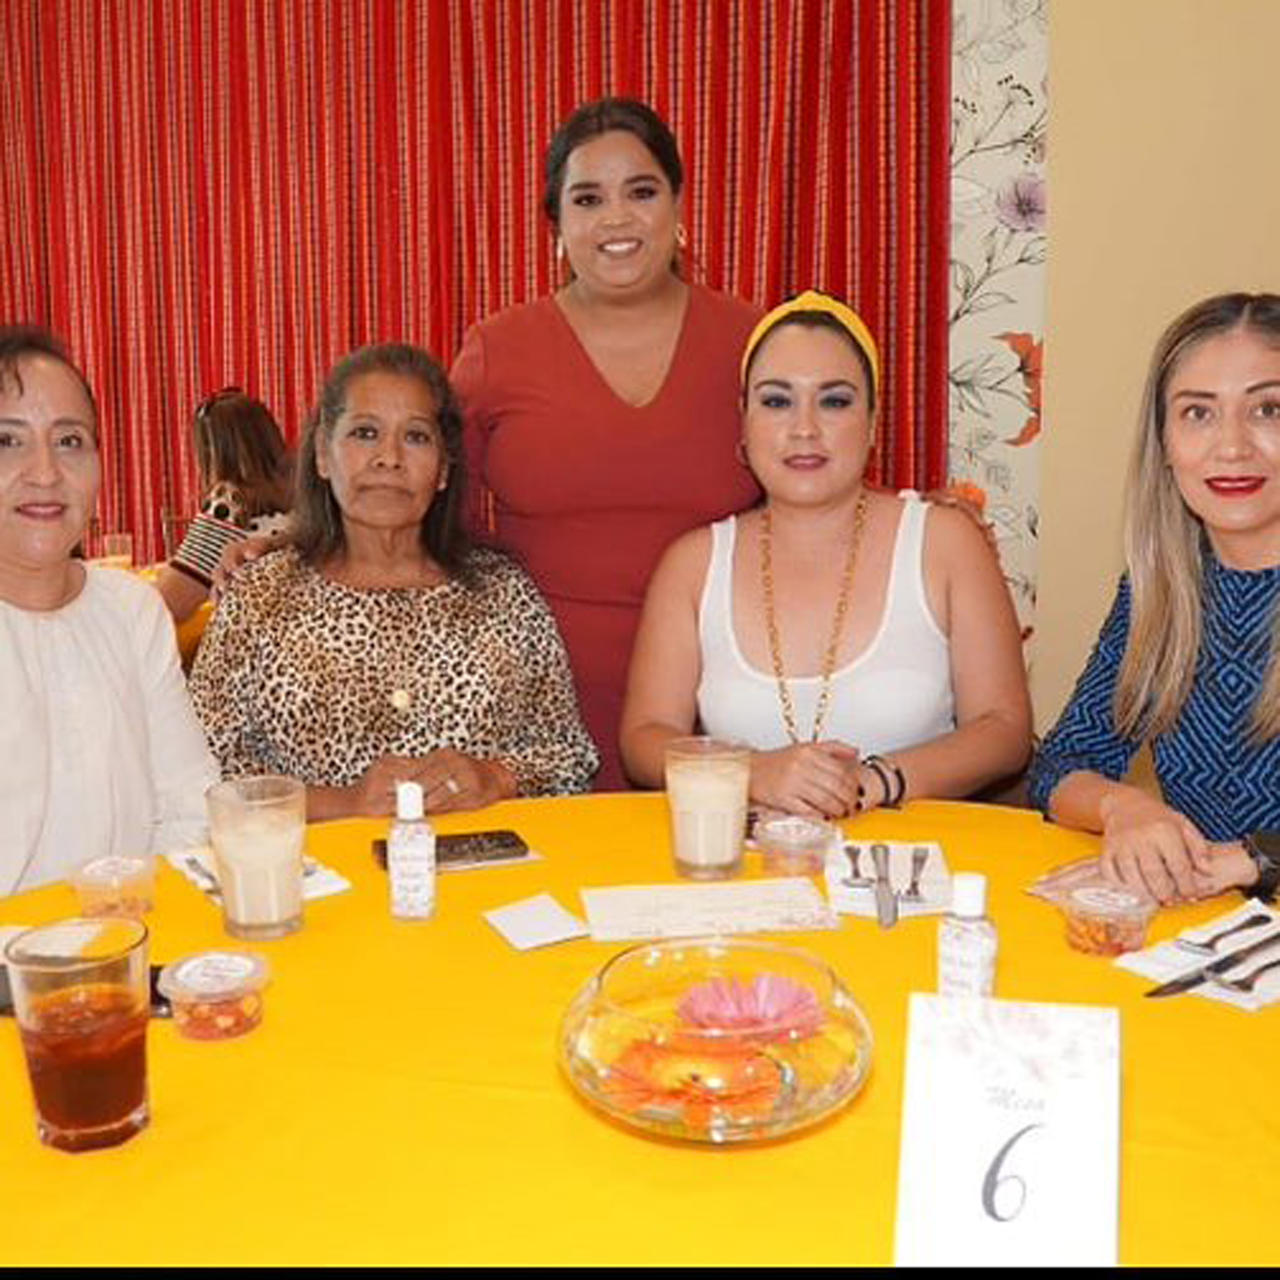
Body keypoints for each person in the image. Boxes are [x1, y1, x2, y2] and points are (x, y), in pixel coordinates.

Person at [451, 96, 763, 791]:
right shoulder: (497, 350)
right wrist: (291, 545)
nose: (616, 218)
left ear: (679, 206)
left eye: (641, 191)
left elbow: (819, 491)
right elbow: (418, 508)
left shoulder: (752, 341)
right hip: (534, 714)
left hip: (721, 702)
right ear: (557, 225)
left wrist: (923, 523)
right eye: (588, 198)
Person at [620, 291, 1032, 816]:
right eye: (776, 401)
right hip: (745, 875)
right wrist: (750, 770)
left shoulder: (945, 541)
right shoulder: (693, 564)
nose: (804, 429)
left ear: (873, 423)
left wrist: (873, 781)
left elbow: (1004, 728)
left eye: (835, 401)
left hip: (913, 872)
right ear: (743, 422)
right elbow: (643, 738)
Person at [188, 342, 599, 818]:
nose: (389, 458)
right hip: (319, 883)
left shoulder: (504, 593)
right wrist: (343, 803)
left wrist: (496, 777)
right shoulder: (261, 596)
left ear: (444, 469)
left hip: (490, 877)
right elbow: (203, 775)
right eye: (365, 433)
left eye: (417, 437)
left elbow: (570, 758)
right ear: (322, 454)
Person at [1028, 292, 1280, 906]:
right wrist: (1125, 807)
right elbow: (1062, 763)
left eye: (1269, 409)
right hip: (1215, 941)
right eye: (1198, 413)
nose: (1231, 447)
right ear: (1164, 444)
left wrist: (1252, 861)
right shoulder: (1161, 591)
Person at [0, 326, 217, 894]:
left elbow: (189, 809)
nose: (45, 472)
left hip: (132, 949)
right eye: (8, 441)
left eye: (70, 441)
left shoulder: (130, 611)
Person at [155, 388, 292, 624]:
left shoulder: (230, 501)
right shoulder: (303, 493)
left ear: (211, 451)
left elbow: (169, 605)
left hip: (249, 644)